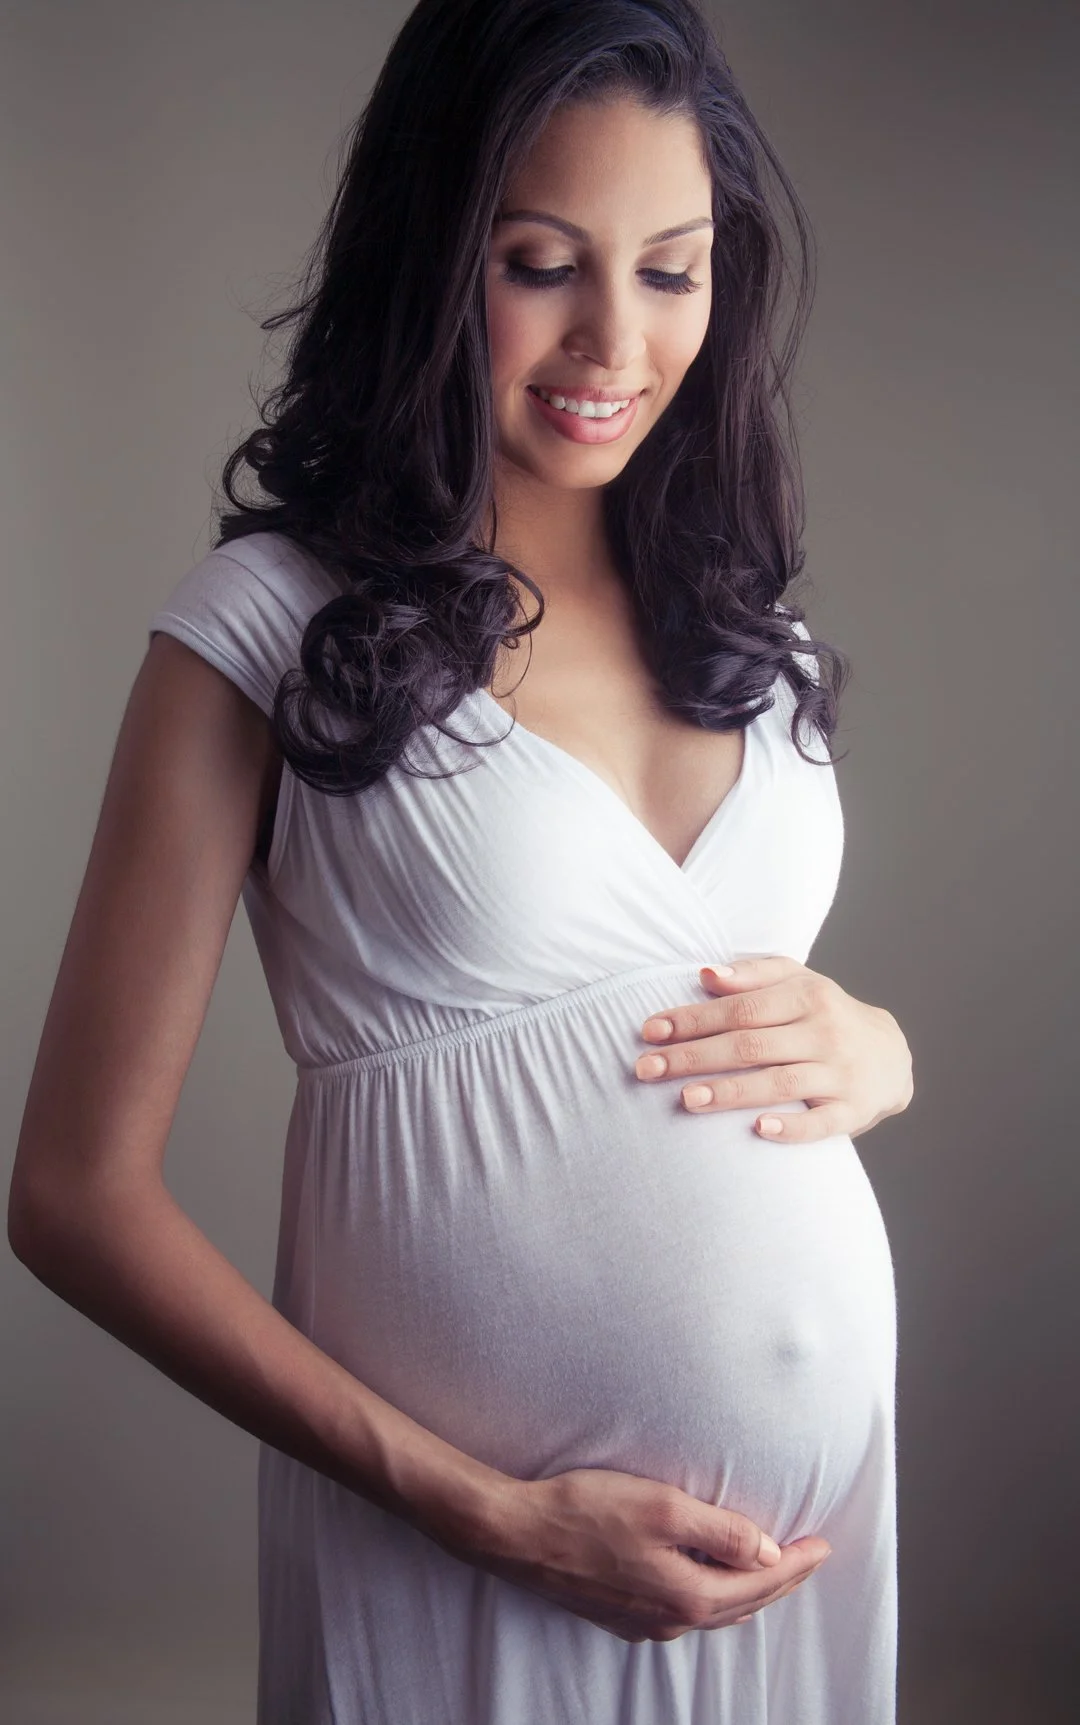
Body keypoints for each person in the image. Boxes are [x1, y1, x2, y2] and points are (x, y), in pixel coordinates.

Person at [9, 1, 915, 1720]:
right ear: (434, 256)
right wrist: (487, 1514)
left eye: (672, 269)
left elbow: (749, 1010)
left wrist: (884, 1051)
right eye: (539, 260)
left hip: (799, 1574)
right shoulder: (267, 629)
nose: (613, 340)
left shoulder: (745, 629)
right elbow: (70, 1196)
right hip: (460, 1558)